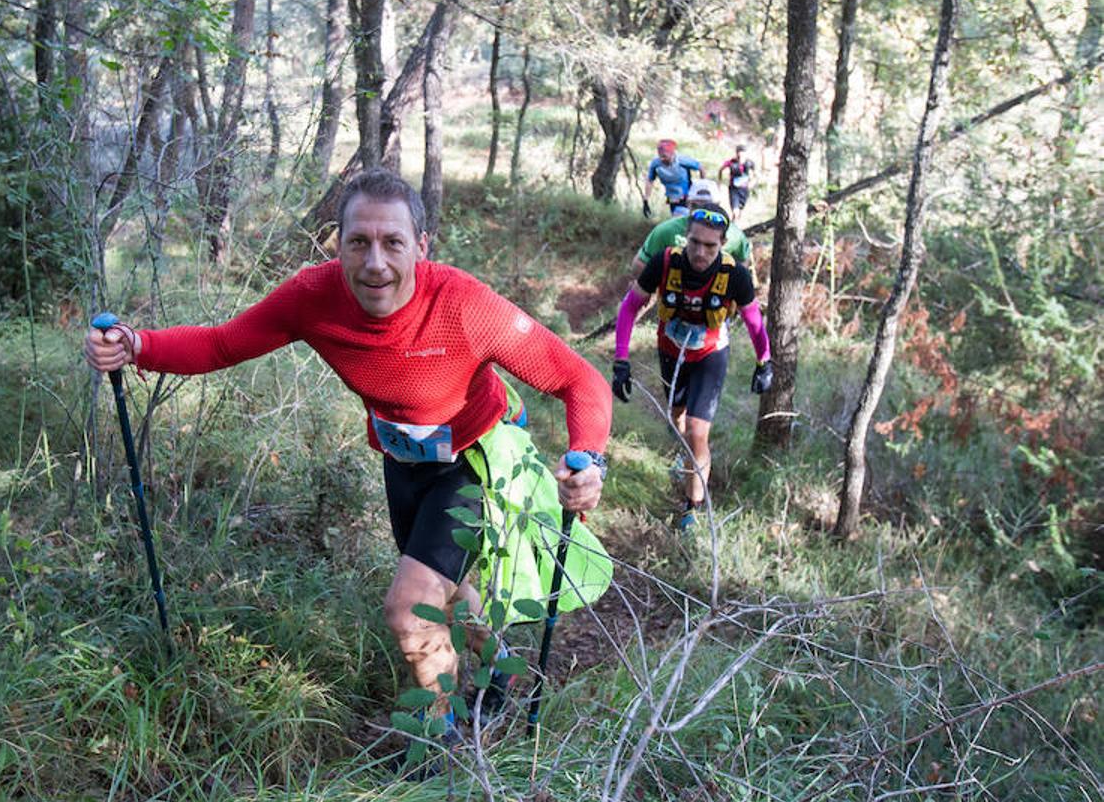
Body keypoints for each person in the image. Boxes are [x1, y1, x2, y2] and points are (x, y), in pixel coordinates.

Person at [84, 169, 611, 761]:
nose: (375, 263)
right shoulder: (314, 296)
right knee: (453, 590)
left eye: (393, 243)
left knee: (410, 608)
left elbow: (577, 379)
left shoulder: (462, 304)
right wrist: (138, 344)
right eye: (358, 242)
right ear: (338, 243)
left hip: (474, 462)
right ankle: (500, 676)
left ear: (421, 247)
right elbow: (223, 343)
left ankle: (438, 741)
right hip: (403, 462)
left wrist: (587, 460)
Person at [609, 205, 774, 531]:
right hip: (671, 352)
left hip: (711, 355)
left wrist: (764, 361)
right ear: (687, 237)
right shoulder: (665, 262)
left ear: (723, 243)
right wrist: (621, 360)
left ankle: (691, 509)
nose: (700, 252)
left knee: (697, 432)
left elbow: (754, 321)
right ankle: (685, 458)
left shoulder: (734, 275)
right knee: (678, 419)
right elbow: (630, 307)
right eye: (695, 242)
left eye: (710, 246)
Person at [629, 180, 752, 278]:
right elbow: (640, 264)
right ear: (688, 204)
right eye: (696, 206)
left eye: (709, 205)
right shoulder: (666, 231)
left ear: (718, 205)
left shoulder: (735, 235)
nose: (703, 212)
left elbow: (743, 260)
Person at [641, 139, 704, 219]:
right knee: (678, 222)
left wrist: (702, 186)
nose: (662, 159)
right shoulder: (656, 164)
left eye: (665, 156)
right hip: (672, 198)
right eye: (660, 156)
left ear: (672, 153)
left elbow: (701, 168)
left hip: (687, 197)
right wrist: (646, 200)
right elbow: (650, 180)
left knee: (684, 221)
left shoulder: (682, 161)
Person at [718, 144, 756, 220]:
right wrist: (720, 181)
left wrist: (752, 183)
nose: (741, 155)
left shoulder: (750, 163)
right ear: (736, 153)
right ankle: (734, 222)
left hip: (745, 189)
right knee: (735, 210)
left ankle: (735, 222)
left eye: (743, 152)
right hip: (734, 188)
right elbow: (721, 169)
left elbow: (755, 175)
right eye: (739, 152)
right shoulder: (731, 162)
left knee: (740, 209)